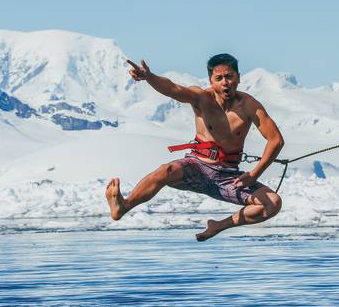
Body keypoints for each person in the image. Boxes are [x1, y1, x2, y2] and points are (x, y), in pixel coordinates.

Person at [105, 53, 284, 241]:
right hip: (197, 167)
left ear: (238, 78)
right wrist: (149, 77)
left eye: (230, 76)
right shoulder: (201, 98)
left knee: (272, 203)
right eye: (219, 78)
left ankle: (218, 226)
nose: (225, 82)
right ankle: (123, 206)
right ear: (211, 81)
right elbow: (172, 88)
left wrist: (254, 174)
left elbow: (275, 140)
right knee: (166, 170)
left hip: (228, 177)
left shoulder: (249, 105)